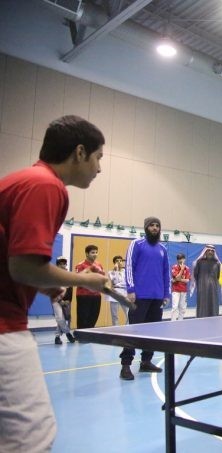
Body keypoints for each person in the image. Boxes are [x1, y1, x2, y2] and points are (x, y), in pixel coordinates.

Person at [0, 115, 109, 451]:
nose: (99, 168)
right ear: (80, 152)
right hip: (4, 326)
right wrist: (85, 280)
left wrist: (43, 281)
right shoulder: (46, 186)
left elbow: (16, 262)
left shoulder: (23, 180)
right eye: (98, 157)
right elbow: (23, 267)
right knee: (33, 439)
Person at [119, 216, 170, 381]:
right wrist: (131, 289)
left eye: (157, 226)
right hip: (139, 296)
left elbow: (165, 273)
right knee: (133, 331)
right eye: (151, 225)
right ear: (146, 228)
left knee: (152, 332)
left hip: (157, 297)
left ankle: (146, 362)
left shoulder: (163, 249)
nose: (155, 228)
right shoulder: (137, 244)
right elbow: (129, 267)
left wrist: (166, 294)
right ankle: (125, 365)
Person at [75, 244, 105, 328]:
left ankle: (89, 333)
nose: (95, 254)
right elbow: (78, 281)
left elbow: (102, 279)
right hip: (84, 295)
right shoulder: (80, 265)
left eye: (96, 252)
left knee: (94, 317)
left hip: (96, 295)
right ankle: (81, 334)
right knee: (83, 318)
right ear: (87, 254)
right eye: (92, 252)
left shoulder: (99, 265)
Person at [192, 245, 221, 318]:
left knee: (213, 304)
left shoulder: (217, 263)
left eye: (212, 251)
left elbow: (218, 276)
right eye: (208, 250)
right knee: (202, 305)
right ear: (205, 251)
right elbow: (195, 275)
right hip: (202, 288)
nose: (210, 252)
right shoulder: (199, 262)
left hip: (213, 288)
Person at [52, 257, 76, 344]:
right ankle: (68, 333)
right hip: (56, 300)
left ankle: (57, 337)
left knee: (64, 318)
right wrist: (60, 301)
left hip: (66, 300)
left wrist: (68, 300)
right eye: (60, 264)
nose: (63, 266)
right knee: (59, 318)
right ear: (57, 265)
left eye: (64, 264)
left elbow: (70, 289)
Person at [107, 255, 128, 326]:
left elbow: (126, 283)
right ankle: (115, 328)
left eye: (120, 261)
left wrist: (117, 285)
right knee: (114, 315)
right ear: (114, 263)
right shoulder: (111, 272)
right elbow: (115, 281)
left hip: (124, 294)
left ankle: (127, 328)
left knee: (128, 314)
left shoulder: (126, 272)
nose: (119, 262)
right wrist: (116, 271)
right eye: (117, 261)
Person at [170, 253, 190, 321]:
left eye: (182, 258)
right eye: (179, 259)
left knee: (182, 307)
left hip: (183, 290)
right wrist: (181, 270)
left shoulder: (187, 268)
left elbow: (187, 280)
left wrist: (176, 280)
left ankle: (180, 321)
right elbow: (177, 277)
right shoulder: (174, 267)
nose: (181, 260)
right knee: (175, 307)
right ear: (177, 260)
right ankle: (173, 321)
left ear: (184, 259)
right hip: (176, 290)